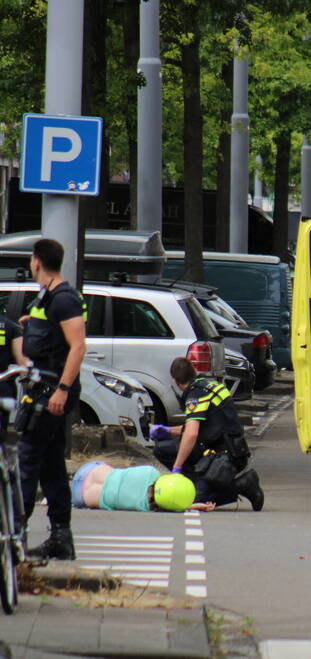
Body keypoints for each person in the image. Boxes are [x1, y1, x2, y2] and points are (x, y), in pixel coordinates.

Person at [18, 239, 87, 561]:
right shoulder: (47, 299)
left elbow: (77, 346)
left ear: (36, 262)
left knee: (27, 459)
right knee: (51, 465)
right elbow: (53, 337)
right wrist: (32, 326)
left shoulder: (64, 299)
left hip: (51, 391)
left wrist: (62, 388)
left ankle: (14, 534)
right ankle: (61, 536)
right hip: (43, 386)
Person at [152, 357, 263, 510]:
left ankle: (243, 484)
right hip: (226, 449)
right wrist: (167, 431)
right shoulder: (208, 385)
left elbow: (191, 434)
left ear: (175, 381)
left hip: (226, 455)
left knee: (193, 500)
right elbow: (205, 425)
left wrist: (176, 468)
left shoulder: (196, 394)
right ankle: (196, 482)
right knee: (162, 448)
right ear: (194, 371)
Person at [70, 462, 212, 512]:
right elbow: (169, 503)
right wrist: (192, 506)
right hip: (82, 496)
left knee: (113, 475)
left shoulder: (150, 472)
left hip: (90, 471)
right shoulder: (145, 506)